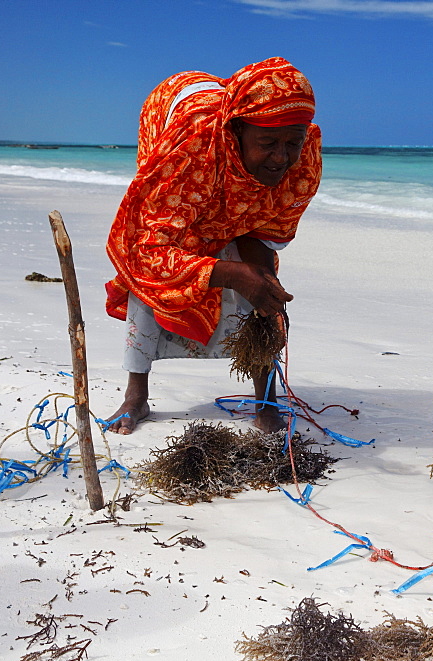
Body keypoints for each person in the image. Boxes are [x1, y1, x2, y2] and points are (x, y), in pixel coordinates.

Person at [104, 57, 322, 435]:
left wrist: (259, 284)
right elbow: (146, 247)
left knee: (260, 283)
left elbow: (259, 234)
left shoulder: (302, 162)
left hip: (218, 166)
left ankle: (266, 398)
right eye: (268, 143)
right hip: (175, 123)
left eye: (293, 142)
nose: (282, 157)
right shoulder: (187, 150)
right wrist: (228, 273)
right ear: (236, 129)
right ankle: (136, 394)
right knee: (153, 274)